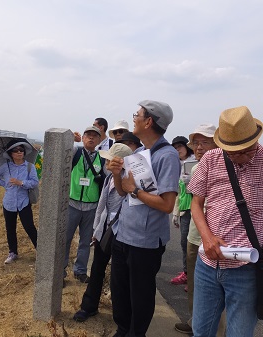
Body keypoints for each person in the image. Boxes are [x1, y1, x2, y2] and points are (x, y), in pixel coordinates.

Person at [188, 106, 263, 337]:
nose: (239, 157)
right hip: (207, 264)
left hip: (247, 268)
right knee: (200, 331)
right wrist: (207, 237)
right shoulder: (211, 159)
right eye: (232, 152)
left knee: (239, 334)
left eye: (246, 151)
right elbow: (196, 203)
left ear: (255, 139)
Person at [109, 100, 181, 337]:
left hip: (145, 241)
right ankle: (122, 330)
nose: (134, 118)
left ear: (149, 121)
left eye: (137, 115)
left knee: (140, 295)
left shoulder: (167, 156)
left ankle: (135, 333)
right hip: (124, 234)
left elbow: (167, 204)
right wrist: (117, 175)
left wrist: (135, 190)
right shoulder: (138, 152)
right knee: (119, 291)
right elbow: (122, 192)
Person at [173, 124, 226, 336]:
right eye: (196, 143)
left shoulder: (225, 165)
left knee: (219, 289)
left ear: (217, 143)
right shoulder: (194, 169)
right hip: (196, 235)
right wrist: (177, 211)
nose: (199, 147)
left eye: (205, 141)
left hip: (218, 238)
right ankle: (195, 322)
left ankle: (217, 331)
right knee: (196, 285)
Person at [73, 143, 133, 322]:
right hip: (104, 231)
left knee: (118, 275)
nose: (106, 162)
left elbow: (122, 199)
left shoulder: (129, 180)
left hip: (121, 232)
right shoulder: (107, 178)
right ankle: (89, 306)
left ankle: (120, 315)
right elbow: (102, 206)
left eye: (109, 159)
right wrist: (96, 229)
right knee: (97, 268)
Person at [65, 126, 105, 284]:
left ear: (99, 140)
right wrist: (70, 140)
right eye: (88, 135)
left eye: (95, 136)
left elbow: (107, 178)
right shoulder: (76, 152)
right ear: (82, 138)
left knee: (85, 241)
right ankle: (60, 271)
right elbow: (60, 152)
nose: (91, 138)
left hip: (91, 207)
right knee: (65, 239)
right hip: (72, 203)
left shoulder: (102, 158)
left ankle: (80, 271)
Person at [0, 139, 39, 264]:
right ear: (11, 153)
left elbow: (34, 182)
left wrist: (21, 183)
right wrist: (5, 184)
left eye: (21, 150)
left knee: (29, 227)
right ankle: (13, 253)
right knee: (10, 228)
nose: (19, 152)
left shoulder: (29, 167)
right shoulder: (6, 167)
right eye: (15, 150)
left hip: (24, 202)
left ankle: (41, 250)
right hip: (9, 202)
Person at [170, 136, 195, 286]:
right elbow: (178, 192)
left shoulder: (195, 162)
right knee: (184, 242)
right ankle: (187, 273)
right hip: (185, 209)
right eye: (174, 147)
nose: (177, 149)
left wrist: (191, 181)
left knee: (195, 245)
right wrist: (175, 212)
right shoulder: (176, 166)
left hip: (198, 209)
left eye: (180, 146)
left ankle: (193, 278)